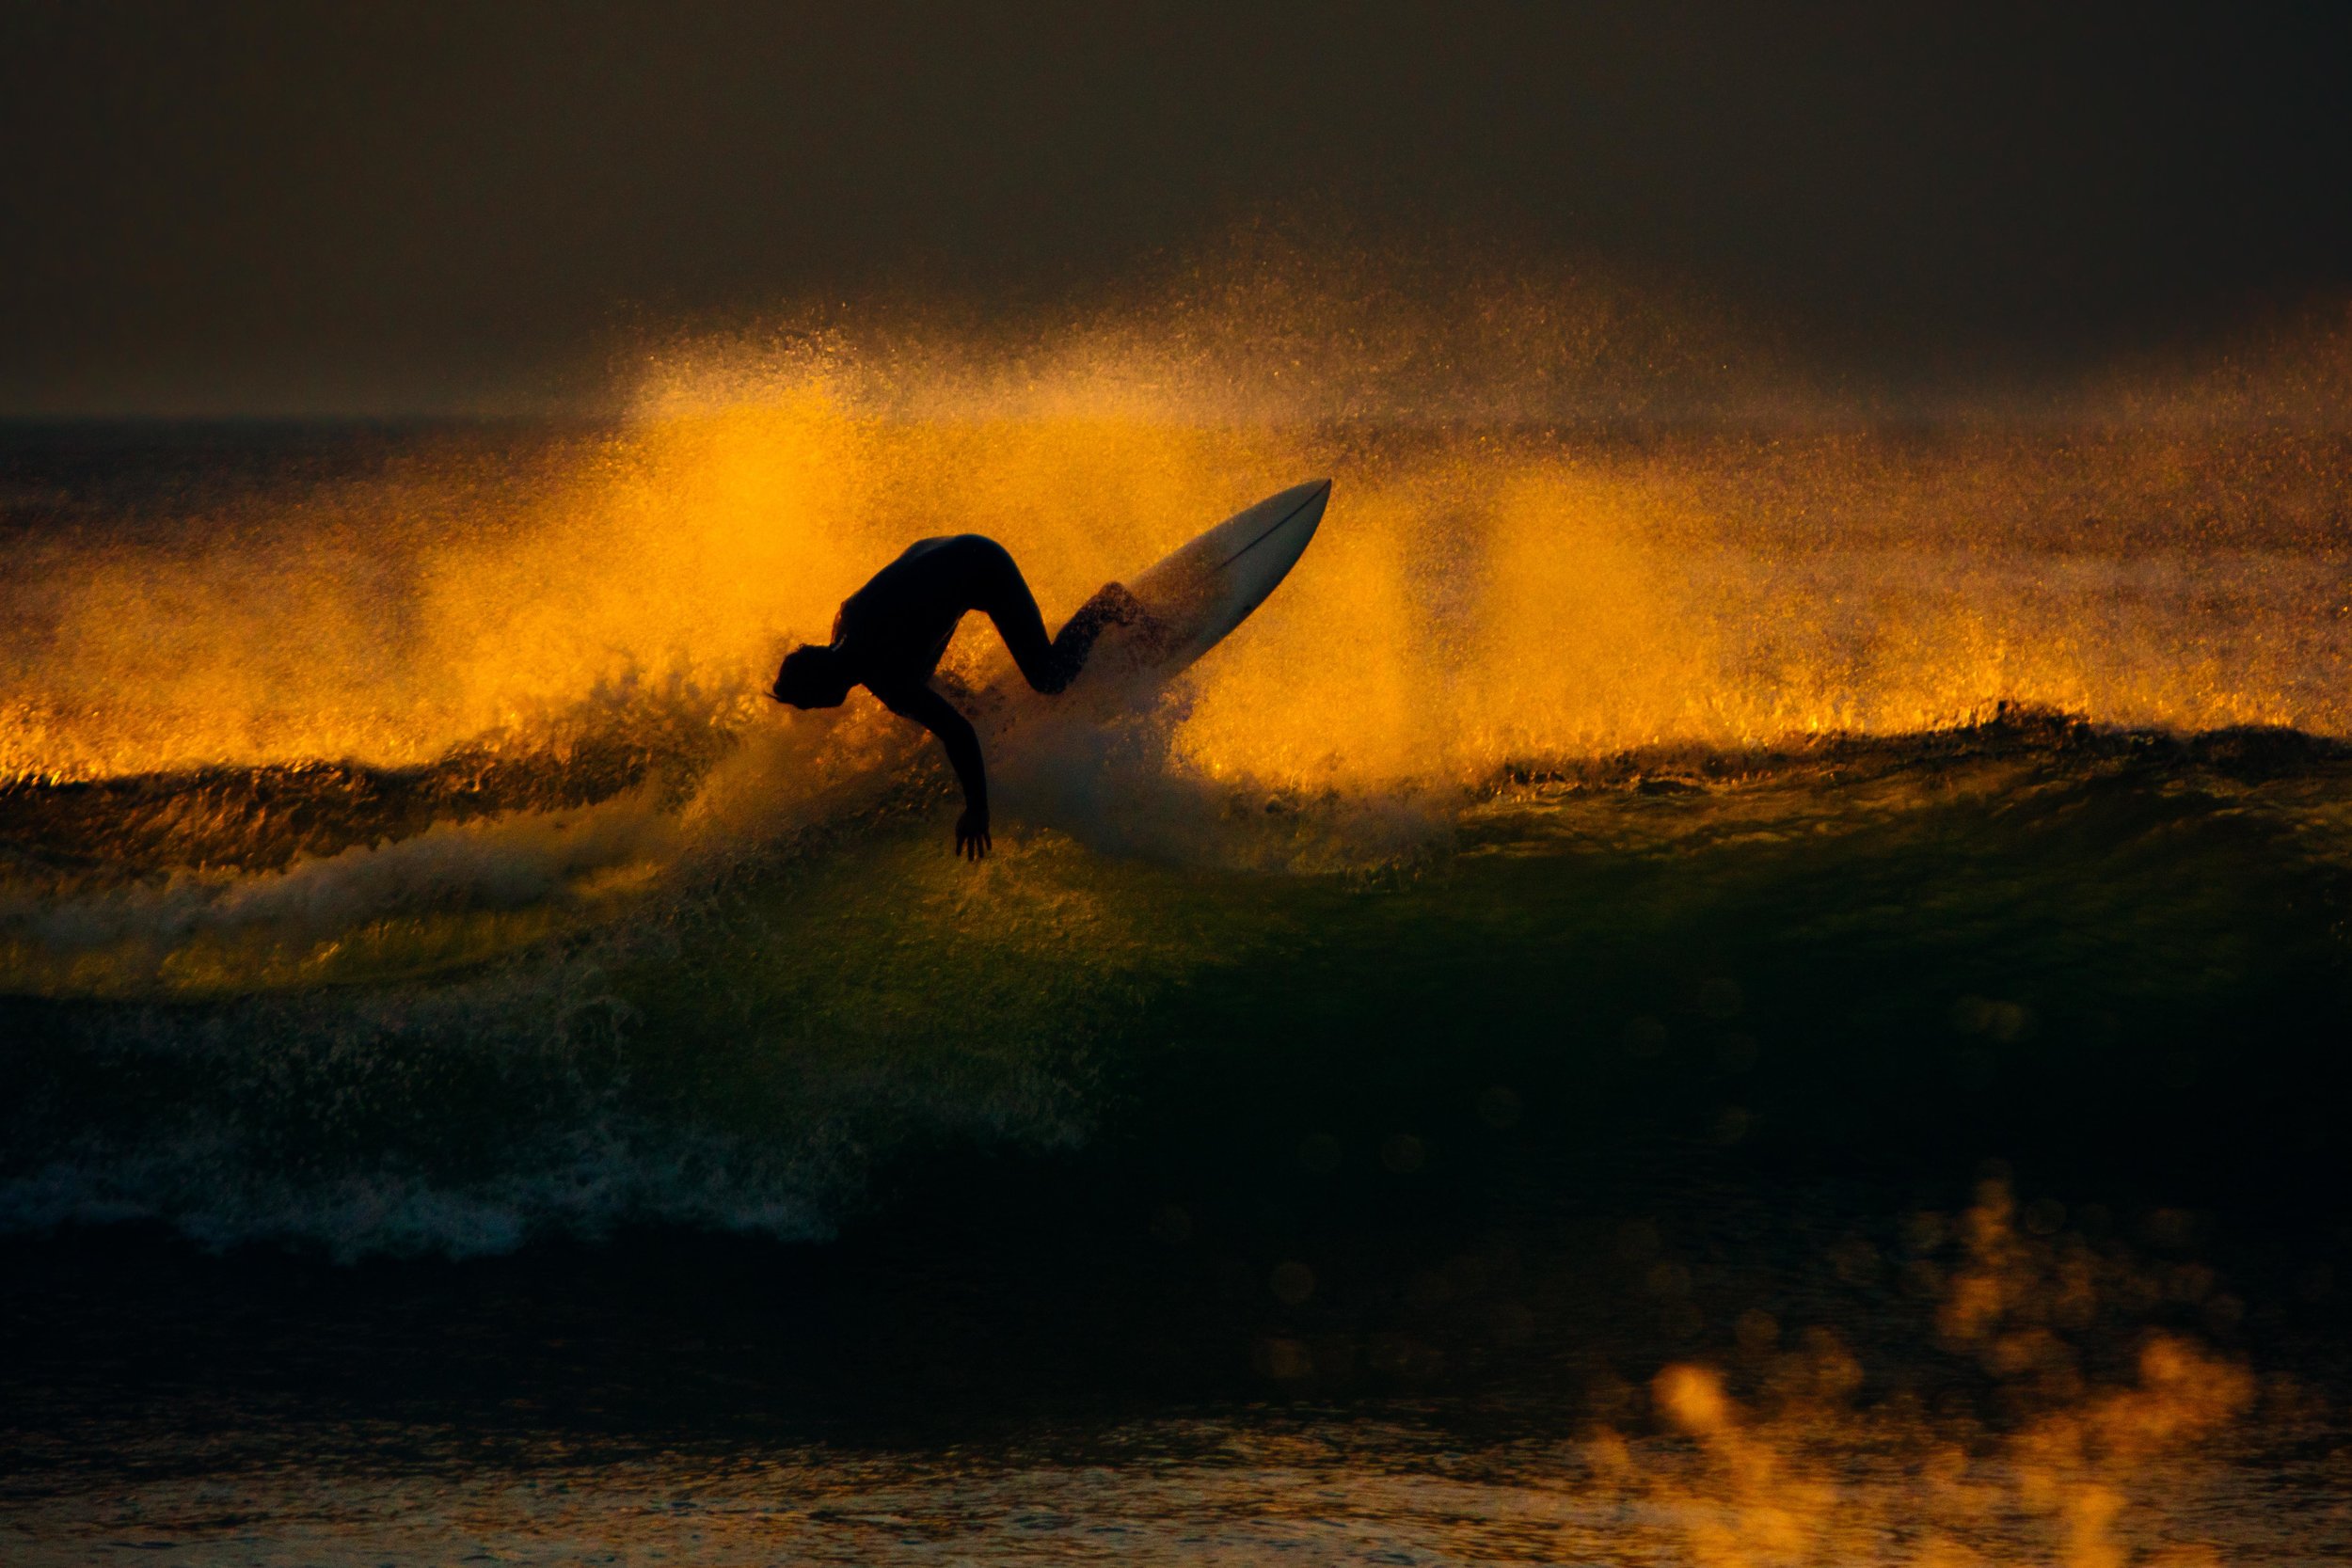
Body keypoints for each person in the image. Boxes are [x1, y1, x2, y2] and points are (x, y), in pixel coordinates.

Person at [770, 534, 1151, 859]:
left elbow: (960, 734)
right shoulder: (845, 625)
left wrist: (977, 809)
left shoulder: (882, 673)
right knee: (920, 678)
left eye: (808, 702)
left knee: (1048, 677)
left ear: (821, 685)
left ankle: (1106, 605)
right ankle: (974, 698)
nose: (812, 709)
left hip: (984, 569)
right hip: (949, 553)